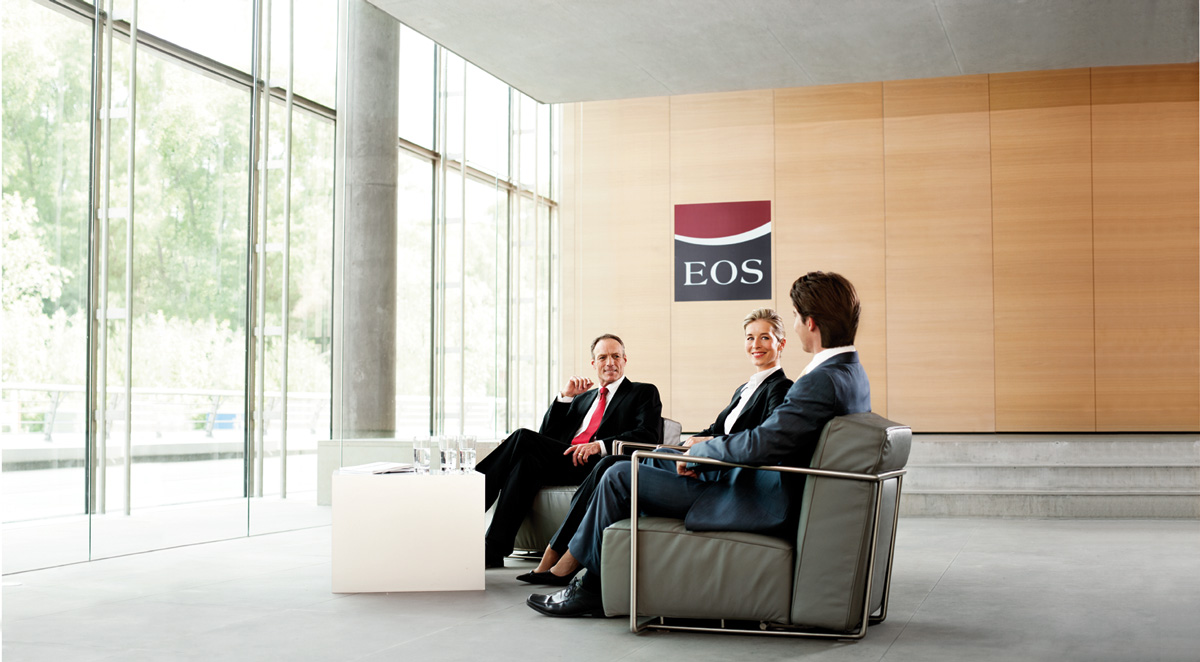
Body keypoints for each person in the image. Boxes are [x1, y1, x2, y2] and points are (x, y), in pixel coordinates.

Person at [527, 271, 871, 617]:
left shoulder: (818, 381)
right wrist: (692, 450)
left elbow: (764, 442)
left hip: (750, 494)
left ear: (810, 322)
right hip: (747, 482)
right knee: (638, 462)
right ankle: (584, 569)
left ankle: (587, 585)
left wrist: (700, 452)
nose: (795, 326)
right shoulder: (849, 373)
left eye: (795, 318)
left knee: (619, 476)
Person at [516, 308, 793, 586]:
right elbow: (716, 429)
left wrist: (705, 445)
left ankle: (568, 561)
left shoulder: (780, 388)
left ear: (781, 344)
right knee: (622, 462)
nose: (755, 345)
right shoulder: (745, 389)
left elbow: (761, 440)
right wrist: (688, 444)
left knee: (614, 468)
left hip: (724, 481)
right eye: (750, 337)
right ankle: (564, 556)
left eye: (765, 337)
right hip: (706, 470)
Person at [476, 333, 661, 568]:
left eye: (616, 356)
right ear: (593, 364)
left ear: (625, 360)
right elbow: (546, 437)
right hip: (565, 460)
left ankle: (471, 496)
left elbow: (648, 434)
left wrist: (599, 445)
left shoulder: (642, 392)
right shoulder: (583, 398)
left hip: (598, 466)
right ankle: (494, 549)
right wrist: (564, 398)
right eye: (602, 357)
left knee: (522, 436)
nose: (610, 363)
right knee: (525, 462)